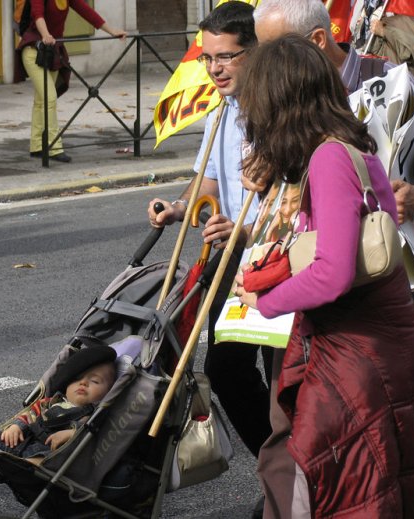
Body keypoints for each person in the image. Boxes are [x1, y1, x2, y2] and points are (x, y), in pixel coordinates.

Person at [250, 1, 414, 517]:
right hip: (383, 338)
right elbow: (385, 212)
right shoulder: (351, 142)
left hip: (358, 346)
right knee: (402, 471)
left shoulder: (326, 158)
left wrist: (264, 300)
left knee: (341, 477)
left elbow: (332, 272)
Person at [146, 2, 272, 483]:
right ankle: (282, 466)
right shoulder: (223, 111)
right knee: (225, 369)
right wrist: (180, 207)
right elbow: (210, 182)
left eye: (225, 57)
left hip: (277, 253)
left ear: (255, 52)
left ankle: (304, 479)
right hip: (233, 256)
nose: (214, 68)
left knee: (284, 379)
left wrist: (245, 231)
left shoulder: (278, 107)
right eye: (207, 58)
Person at [0, 346, 116, 466]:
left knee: (43, 460)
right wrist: (16, 426)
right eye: (77, 379)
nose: (83, 383)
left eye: (94, 381)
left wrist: (71, 433)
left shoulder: (91, 414)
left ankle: (4, 461)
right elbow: (29, 415)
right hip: (23, 440)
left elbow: (96, 433)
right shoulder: (51, 402)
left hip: (47, 453)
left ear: (108, 392)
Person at [16, 0, 127, 163]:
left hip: (51, 52)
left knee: (42, 101)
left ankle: (37, 146)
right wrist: (46, 34)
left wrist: (111, 31)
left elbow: (87, 12)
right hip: (34, 51)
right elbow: (37, 15)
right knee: (49, 97)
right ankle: (54, 147)